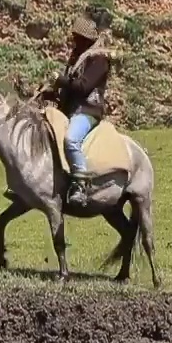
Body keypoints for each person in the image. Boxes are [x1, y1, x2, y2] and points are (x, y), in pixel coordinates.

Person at [36, 14, 112, 206]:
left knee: (71, 139)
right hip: (69, 111)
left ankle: (80, 184)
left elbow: (82, 87)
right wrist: (51, 94)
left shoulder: (99, 60)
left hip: (87, 112)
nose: (73, 41)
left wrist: (60, 80)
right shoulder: (77, 58)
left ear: (86, 39)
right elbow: (70, 91)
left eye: (77, 37)